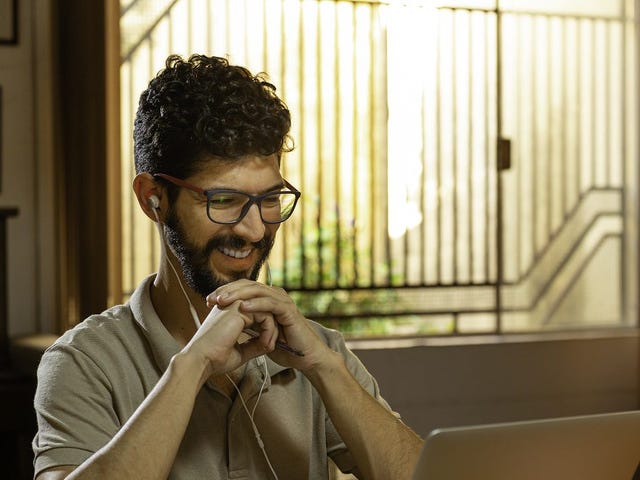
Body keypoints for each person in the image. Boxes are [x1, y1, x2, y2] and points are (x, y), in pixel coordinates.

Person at [32, 53, 424, 480]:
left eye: (270, 199)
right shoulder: (84, 362)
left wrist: (325, 368)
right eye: (224, 200)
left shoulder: (315, 351)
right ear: (152, 198)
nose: (255, 229)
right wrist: (192, 364)